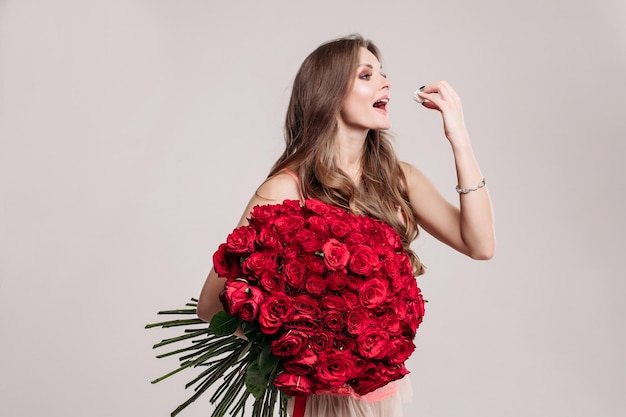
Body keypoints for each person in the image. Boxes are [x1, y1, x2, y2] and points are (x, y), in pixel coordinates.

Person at [197, 34, 495, 417]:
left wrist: (460, 139)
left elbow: (481, 244)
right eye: (367, 75)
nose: (385, 82)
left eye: (383, 74)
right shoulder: (286, 188)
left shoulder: (399, 179)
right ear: (330, 92)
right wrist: (303, 342)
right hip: (322, 400)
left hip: (382, 393)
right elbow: (210, 304)